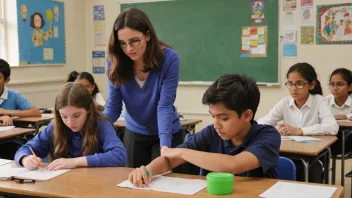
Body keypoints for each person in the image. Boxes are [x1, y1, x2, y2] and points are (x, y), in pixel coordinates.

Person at [128, 74, 281, 187]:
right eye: (213, 116)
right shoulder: (211, 133)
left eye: (224, 118)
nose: (216, 125)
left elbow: (233, 164)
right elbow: (170, 159)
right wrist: (147, 171)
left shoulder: (268, 135)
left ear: (247, 115)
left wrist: (182, 152)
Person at [104, 8, 182, 169]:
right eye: (123, 43)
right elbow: (113, 105)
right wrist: (96, 127)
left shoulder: (169, 59)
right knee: (134, 185)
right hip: (134, 132)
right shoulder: (114, 62)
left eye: (134, 41)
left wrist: (165, 146)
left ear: (147, 35)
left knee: (164, 186)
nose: (129, 49)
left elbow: (165, 105)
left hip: (168, 133)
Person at [14, 83, 127, 170]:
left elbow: (120, 156)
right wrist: (25, 159)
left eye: (76, 115)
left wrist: (75, 162)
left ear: (88, 109)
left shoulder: (102, 124)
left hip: (97, 185)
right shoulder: (55, 126)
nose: (70, 122)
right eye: (64, 116)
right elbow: (24, 149)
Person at [258, 62, 338, 183]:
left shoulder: (319, 101)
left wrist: (299, 131)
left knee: (309, 171)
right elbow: (262, 122)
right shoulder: (284, 102)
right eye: (290, 84)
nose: (294, 88)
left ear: (311, 85)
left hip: (313, 155)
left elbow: (332, 127)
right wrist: (276, 129)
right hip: (287, 152)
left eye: (299, 84)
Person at [0, 59, 41, 159]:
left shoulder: (13, 96)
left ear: (6, 80)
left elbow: (36, 112)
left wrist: (6, 112)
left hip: (9, 140)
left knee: (25, 150)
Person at [326, 68, 352, 158]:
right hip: (332, 140)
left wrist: (344, 116)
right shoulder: (325, 101)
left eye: (340, 84)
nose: (335, 88)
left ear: (350, 87)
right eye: (332, 84)